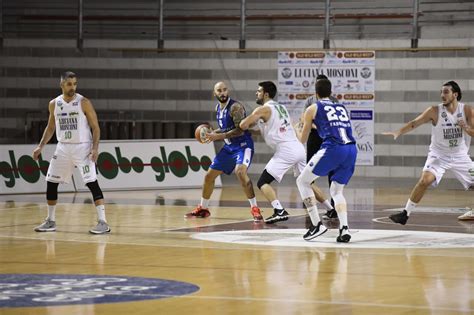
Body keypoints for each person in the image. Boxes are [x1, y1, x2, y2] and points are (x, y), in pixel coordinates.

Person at [383, 81, 474, 223]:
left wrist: (466, 128)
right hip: (439, 155)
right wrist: (399, 131)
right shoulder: (434, 110)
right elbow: (415, 122)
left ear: (455, 94)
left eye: (446, 92)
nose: (442, 95)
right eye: (441, 92)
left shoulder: (467, 110)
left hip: (460, 156)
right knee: (425, 180)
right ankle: (405, 214)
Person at [32, 71, 110, 234]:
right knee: (51, 182)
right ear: (62, 85)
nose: (72, 87)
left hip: (83, 147)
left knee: (91, 182)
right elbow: (51, 127)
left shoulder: (84, 102)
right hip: (63, 147)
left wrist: (95, 148)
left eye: (75, 84)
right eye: (69, 84)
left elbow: (95, 127)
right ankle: (50, 221)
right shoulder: (54, 103)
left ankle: (103, 222)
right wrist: (41, 146)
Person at [185, 81, 263, 221]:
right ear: (214, 93)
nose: (222, 93)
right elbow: (227, 128)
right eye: (219, 91)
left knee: (240, 172)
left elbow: (240, 129)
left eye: (225, 90)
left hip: (243, 146)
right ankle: (203, 208)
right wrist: (213, 133)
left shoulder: (235, 107)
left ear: (228, 91)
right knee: (209, 177)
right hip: (228, 148)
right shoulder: (218, 108)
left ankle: (255, 208)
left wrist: (219, 136)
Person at [296, 78, 357, 242]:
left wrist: (297, 127)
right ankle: (344, 228)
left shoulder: (312, 108)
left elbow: (302, 139)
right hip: (351, 149)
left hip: (333, 148)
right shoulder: (341, 107)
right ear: (331, 93)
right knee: (337, 191)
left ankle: (316, 224)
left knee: (302, 181)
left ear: (316, 93)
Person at [239, 81, 305, 223]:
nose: (256, 93)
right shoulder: (281, 107)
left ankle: (279, 210)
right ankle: (329, 208)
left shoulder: (263, 109)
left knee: (263, 182)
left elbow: (243, 125)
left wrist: (240, 123)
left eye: (259, 91)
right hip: (298, 148)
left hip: (286, 150)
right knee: (307, 183)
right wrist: (251, 130)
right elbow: (263, 130)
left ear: (266, 94)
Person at [302, 74, 338, 221]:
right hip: (315, 136)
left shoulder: (334, 101)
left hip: (328, 137)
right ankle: (309, 199)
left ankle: (333, 204)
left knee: (333, 173)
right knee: (308, 171)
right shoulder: (309, 101)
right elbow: (305, 120)